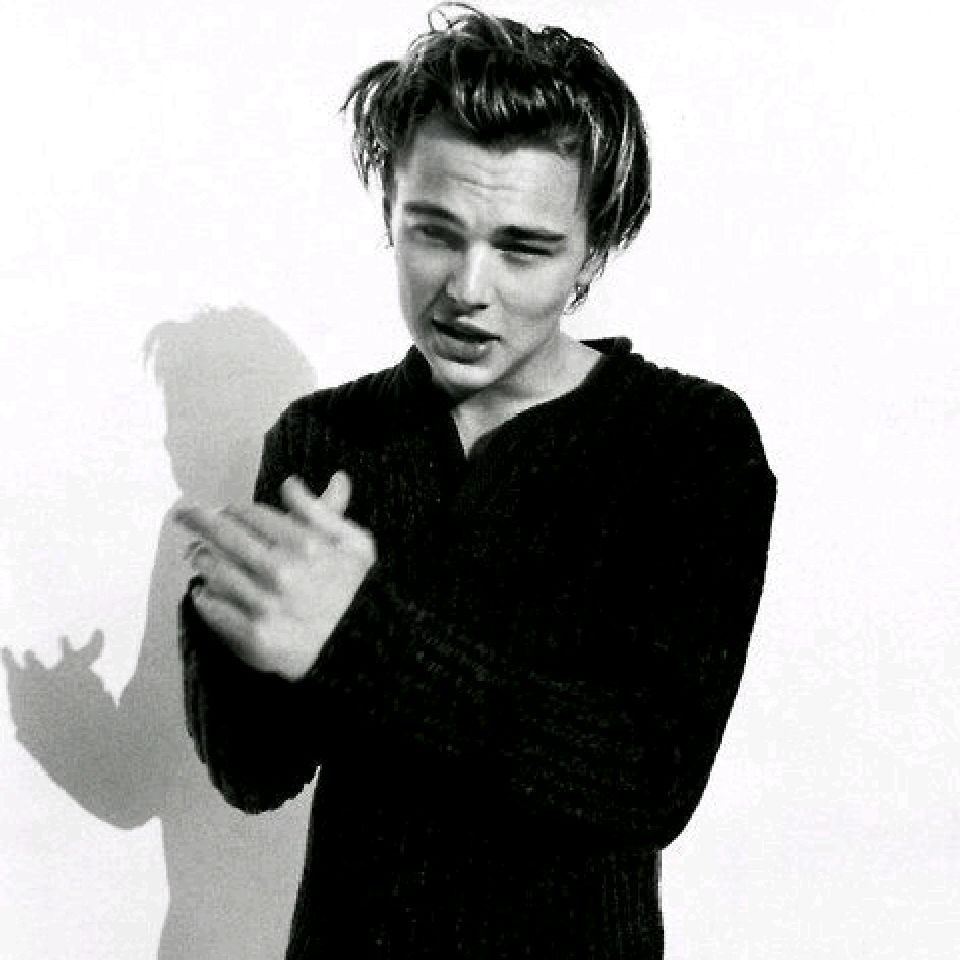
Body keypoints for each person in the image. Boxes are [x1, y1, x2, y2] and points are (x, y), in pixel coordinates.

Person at [174, 5, 777, 958]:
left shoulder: (690, 443)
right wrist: (229, 616)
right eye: (434, 232)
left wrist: (358, 636)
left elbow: (645, 778)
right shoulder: (327, 437)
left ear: (594, 249)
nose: (466, 288)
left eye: (523, 248)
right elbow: (257, 775)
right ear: (391, 213)